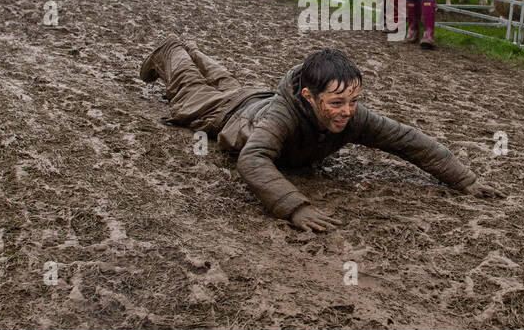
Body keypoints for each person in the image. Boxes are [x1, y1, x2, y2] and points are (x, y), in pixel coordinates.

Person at [139, 41, 501, 230]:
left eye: (354, 101)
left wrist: (465, 179)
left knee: (226, 83)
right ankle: (172, 50)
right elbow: (252, 159)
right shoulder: (284, 115)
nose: (347, 110)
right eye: (338, 102)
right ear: (308, 97)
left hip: (253, 99)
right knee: (187, 96)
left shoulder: (351, 117)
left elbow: (407, 140)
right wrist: (295, 207)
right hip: (230, 114)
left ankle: (192, 50)